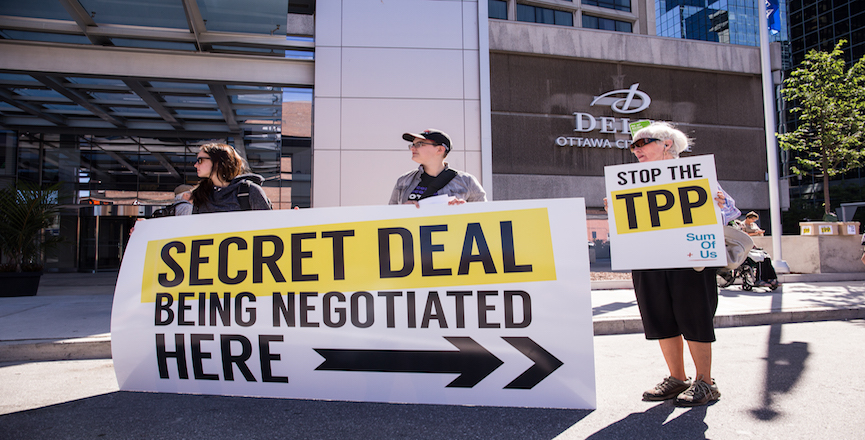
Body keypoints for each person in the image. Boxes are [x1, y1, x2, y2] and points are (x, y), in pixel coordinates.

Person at [627, 122, 740, 407]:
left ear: (667, 144)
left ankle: (706, 381)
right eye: (633, 145)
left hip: (691, 258)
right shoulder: (631, 180)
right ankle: (677, 378)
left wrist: (720, 202)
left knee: (694, 315)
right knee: (659, 315)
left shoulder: (696, 174)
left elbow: (730, 210)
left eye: (643, 143)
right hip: (649, 257)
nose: (636, 149)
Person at [389, 129, 486, 205]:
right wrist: (403, 210)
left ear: (440, 149)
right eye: (413, 145)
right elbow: (389, 217)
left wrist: (464, 209)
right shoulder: (403, 181)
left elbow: (484, 215)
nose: (413, 148)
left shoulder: (467, 181)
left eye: (419, 144)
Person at [191, 142, 272, 213]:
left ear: (217, 161)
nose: (195, 165)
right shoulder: (200, 195)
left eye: (200, 160)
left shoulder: (249, 191)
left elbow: (268, 226)